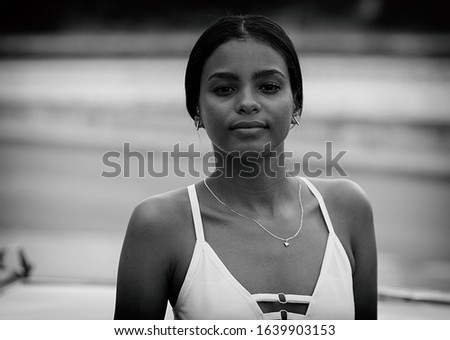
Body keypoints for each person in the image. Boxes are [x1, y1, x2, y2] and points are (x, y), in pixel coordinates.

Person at [114, 15, 377, 320]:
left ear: (297, 102)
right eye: (224, 89)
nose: (248, 103)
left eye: (268, 86)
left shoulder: (347, 209)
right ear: (196, 108)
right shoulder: (160, 226)